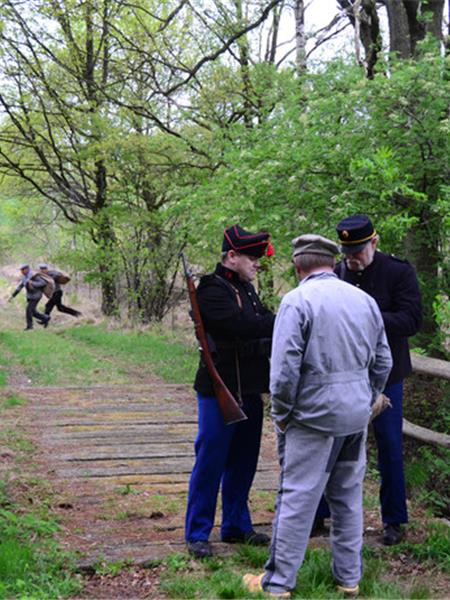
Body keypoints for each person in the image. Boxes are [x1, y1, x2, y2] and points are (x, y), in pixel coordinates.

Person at [243, 234, 392, 599]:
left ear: (298, 267)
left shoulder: (296, 301)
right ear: (332, 262)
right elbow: (383, 360)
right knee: (347, 498)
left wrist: (282, 413)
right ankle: (349, 579)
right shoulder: (364, 301)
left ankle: (277, 583)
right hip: (355, 415)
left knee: (296, 498)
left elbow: (283, 372)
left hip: (312, 417)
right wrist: (367, 398)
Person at [314, 215, 422, 546]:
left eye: (358, 252)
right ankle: (318, 514)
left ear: (374, 243)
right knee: (330, 443)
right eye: (348, 253)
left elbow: (411, 319)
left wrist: (368, 313)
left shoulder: (398, 272)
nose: (352, 259)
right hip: (345, 374)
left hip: (386, 376)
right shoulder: (339, 273)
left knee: (389, 445)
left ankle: (393, 520)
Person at [185, 224, 276, 559]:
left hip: (249, 387)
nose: (257, 262)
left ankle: (236, 525)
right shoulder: (212, 289)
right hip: (219, 389)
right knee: (210, 461)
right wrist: (279, 324)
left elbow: (258, 323)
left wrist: (272, 328)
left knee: (243, 462)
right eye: (251, 256)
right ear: (232, 255)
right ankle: (197, 532)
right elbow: (241, 327)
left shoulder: (247, 289)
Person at [8, 264, 51, 330]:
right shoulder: (24, 277)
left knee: (28, 310)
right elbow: (20, 287)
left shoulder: (34, 276)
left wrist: (33, 283)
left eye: (23, 270)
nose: (21, 271)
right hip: (30, 296)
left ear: (27, 269)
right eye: (21, 270)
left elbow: (43, 283)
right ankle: (46, 317)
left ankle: (30, 326)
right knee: (33, 312)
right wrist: (13, 296)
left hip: (36, 296)